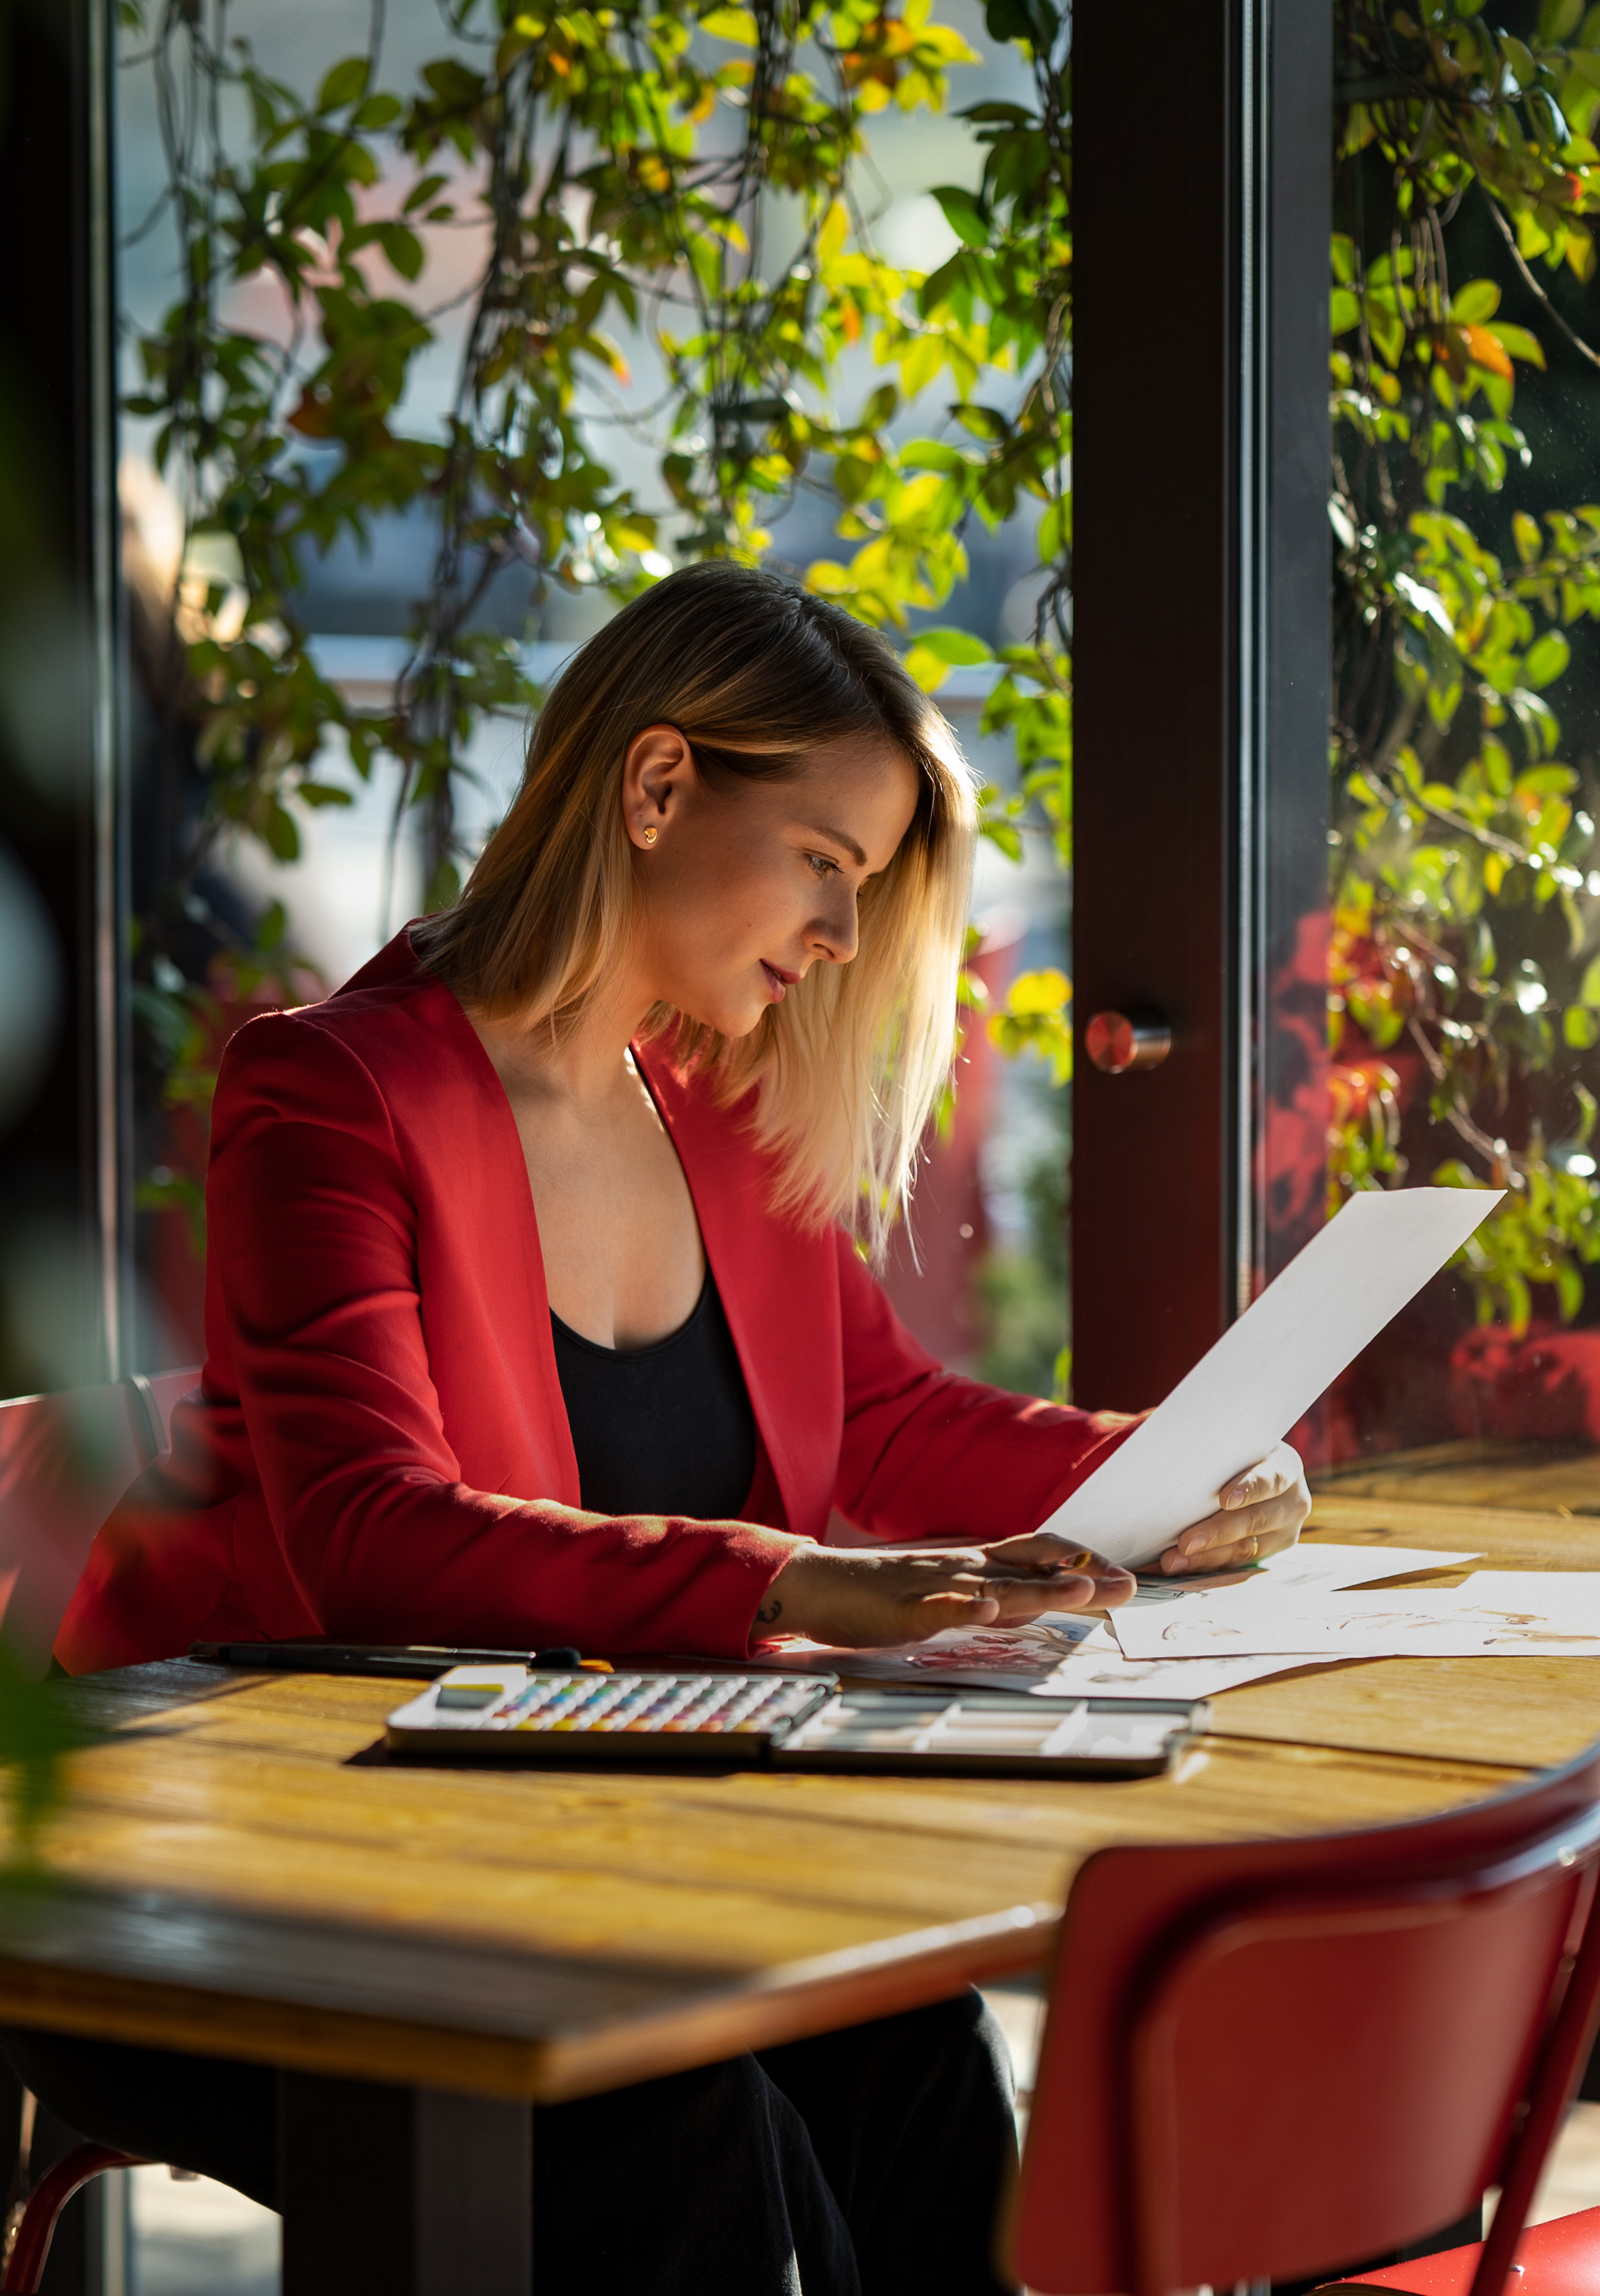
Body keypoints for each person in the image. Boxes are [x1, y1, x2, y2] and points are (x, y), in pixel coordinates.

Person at [23, 565, 1310, 2292]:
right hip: (274, 1872)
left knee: (914, 2055)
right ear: (653, 786)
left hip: (591, 1852)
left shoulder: (710, 1092)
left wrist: (1162, 1469)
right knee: (682, 2131)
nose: (845, 941)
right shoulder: (332, 1089)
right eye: (826, 868)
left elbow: (874, 1412)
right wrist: (787, 1582)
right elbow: (368, 1530)